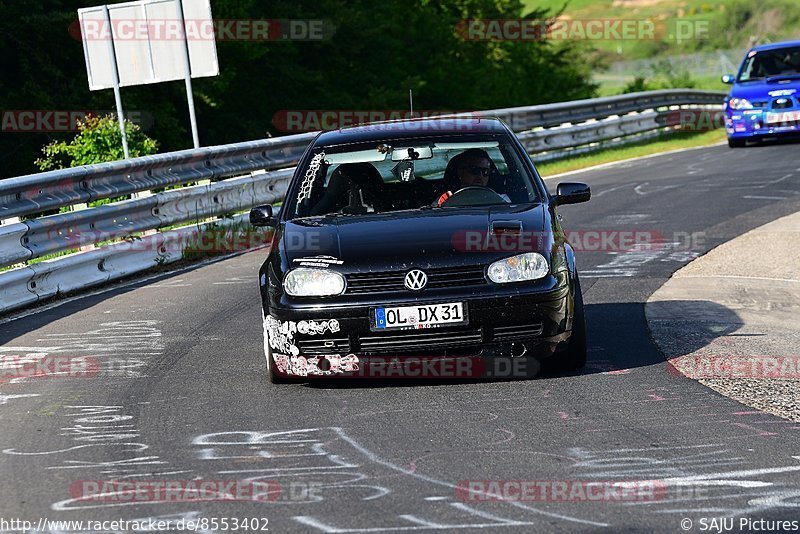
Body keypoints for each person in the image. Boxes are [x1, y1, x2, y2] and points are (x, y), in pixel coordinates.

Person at [434, 148, 508, 206]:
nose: (480, 175)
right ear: (460, 172)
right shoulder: (443, 200)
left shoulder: (502, 200)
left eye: (485, 172)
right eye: (474, 170)